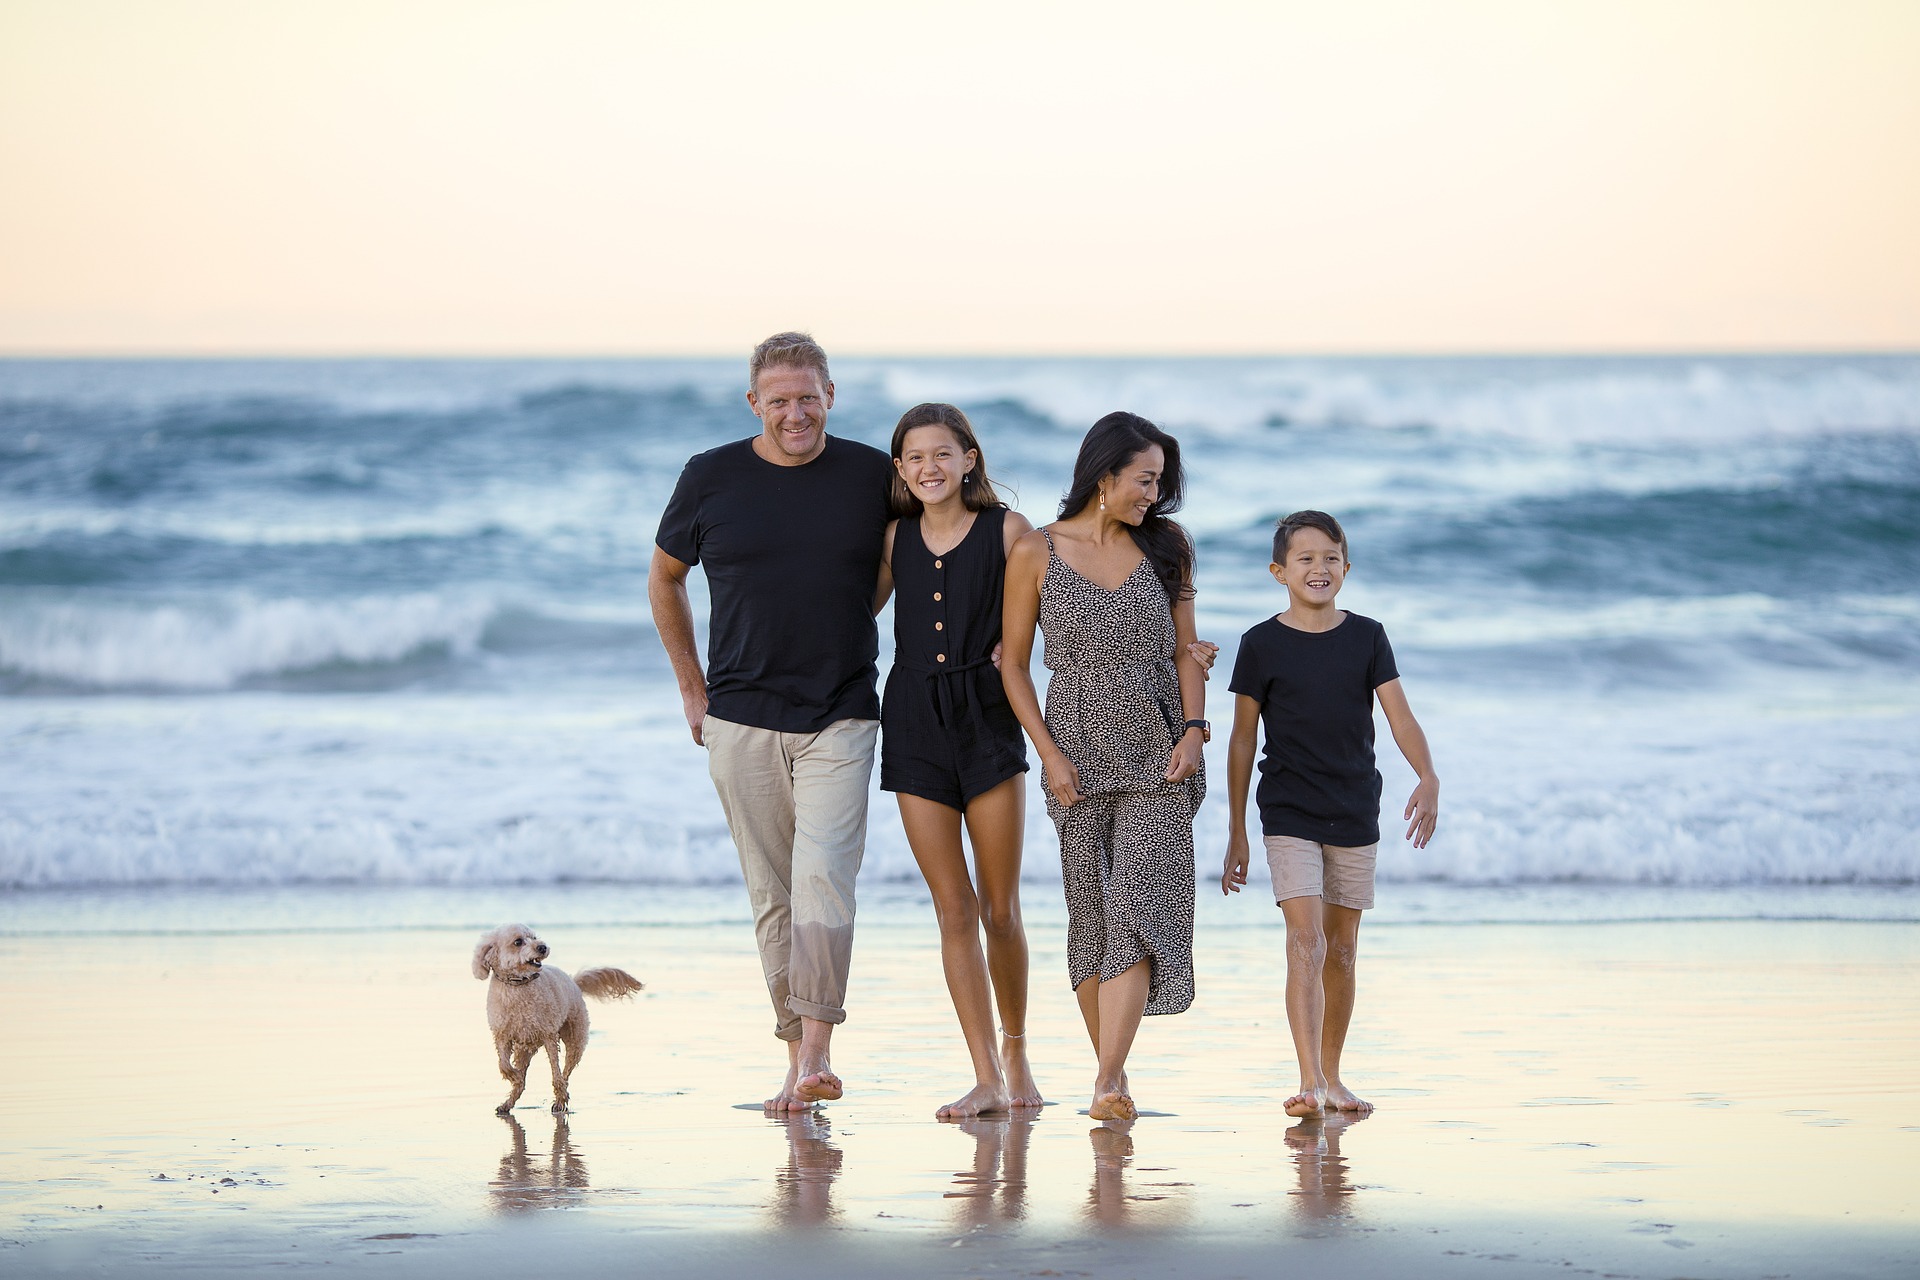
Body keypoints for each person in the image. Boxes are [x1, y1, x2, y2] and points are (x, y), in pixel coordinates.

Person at [648, 332, 893, 1112]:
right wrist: (693, 688)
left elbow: (903, 561)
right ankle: (795, 1057)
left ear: (831, 396)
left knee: (825, 881)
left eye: (808, 397)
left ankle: (817, 1051)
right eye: (779, 400)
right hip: (740, 717)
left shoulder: (870, 473)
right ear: (755, 403)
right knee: (773, 894)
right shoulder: (709, 476)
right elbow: (665, 578)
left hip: (843, 712)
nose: (796, 413)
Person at [1000, 411, 1210, 1123]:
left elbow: (1185, 650)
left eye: (1159, 482)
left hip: (1159, 750)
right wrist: (1048, 754)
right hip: (1076, 754)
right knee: (1090, 918)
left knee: (1137, 906)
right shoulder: (1035, 552)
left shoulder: (1169, 547)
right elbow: (1013, 666)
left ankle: (1110, 1078)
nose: (1154, 494)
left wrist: (1195, 729)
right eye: (1144, 480)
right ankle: (1109, 1083)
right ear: (1104, 474)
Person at [1219, 509, 1439, 1118]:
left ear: (1347, 567)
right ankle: (1309, 1080)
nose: (1320, 568)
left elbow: (1399, 715)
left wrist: (1428, 775)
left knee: (1342, 949)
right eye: (1305, 559)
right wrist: (1236, 828)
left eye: (1331, 558)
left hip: (1354, 808)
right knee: (1305, 939)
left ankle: (1334, 1075)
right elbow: (1242, 739)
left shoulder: (1368, 636)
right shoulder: (1260, 644)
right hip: (1288, 809)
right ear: (1279, 571)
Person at [879, 403, 1043, 1119]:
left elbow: (1053, 613)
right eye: (914, 458)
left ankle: (1015, 1050)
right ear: (900, 469)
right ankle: (984, 1075)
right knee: (953, 907)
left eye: (943, 454)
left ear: (969, 459)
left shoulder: (1009, 531)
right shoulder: (892, 539)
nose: (929, 469)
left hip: (987, 719)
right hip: (912, 720)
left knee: (1000, 909)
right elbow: (845, 615)